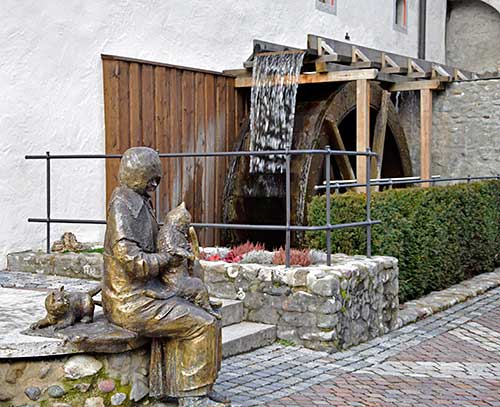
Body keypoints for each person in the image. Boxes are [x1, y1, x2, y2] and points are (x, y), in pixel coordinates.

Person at [102, 147, 227, 407]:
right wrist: (168, 259)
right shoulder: (122, 206)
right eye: (151, 178)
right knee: (201, 323)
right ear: (137, 174)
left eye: (157, 178)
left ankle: (188, 386)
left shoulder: (138, 202)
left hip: (147, 291)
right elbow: (132, 261)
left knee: (206, 309)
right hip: (130, 302)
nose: (155, 184)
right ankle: (193, 395)